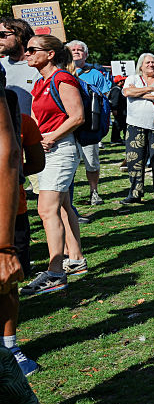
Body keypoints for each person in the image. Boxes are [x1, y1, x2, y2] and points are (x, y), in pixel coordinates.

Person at [20, 35, 87, 295]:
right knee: (61, 207)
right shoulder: (40, 82)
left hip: (61, 150)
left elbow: (77, 116)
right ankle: (76, 260)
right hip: (48, 148)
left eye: (32, 50)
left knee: (47, 210)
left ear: (49, 54)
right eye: (26, 50)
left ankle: (56, 273)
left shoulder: (62, 78)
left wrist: (50, 137)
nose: (27, 54)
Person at [0, 69, 38, 403]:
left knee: (9, 285)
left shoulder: (21, 122)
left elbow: (24, 159)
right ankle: (10, 347)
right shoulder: (22, 119)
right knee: (10, 288)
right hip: (15, 213)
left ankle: (11, 348)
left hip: (12, 215)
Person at [121, 53, 154, 205]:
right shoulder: (132, 79)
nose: (151, 65)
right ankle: (135, 193)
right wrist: (150, 89)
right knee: (134, 159)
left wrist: (138, 92)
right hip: (135, 124)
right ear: (140, 66)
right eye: (147, 62)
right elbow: (127, 92)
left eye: (153, 62)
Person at [67, 40, 111, 206]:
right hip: (66, 125)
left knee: (91, 162)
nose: (77, 52)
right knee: (67, 161)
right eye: (73, 49)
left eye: (80, 50)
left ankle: (94, 192)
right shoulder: (61, 72)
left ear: (86, 55)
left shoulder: (95, 74)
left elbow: (105, 98)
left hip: (87, 126)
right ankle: (66, 196)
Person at [0, 18, 38, 116]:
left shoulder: (40, 66)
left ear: (19, 36)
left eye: (2, 35)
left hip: (32, 129)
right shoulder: (0, 66)